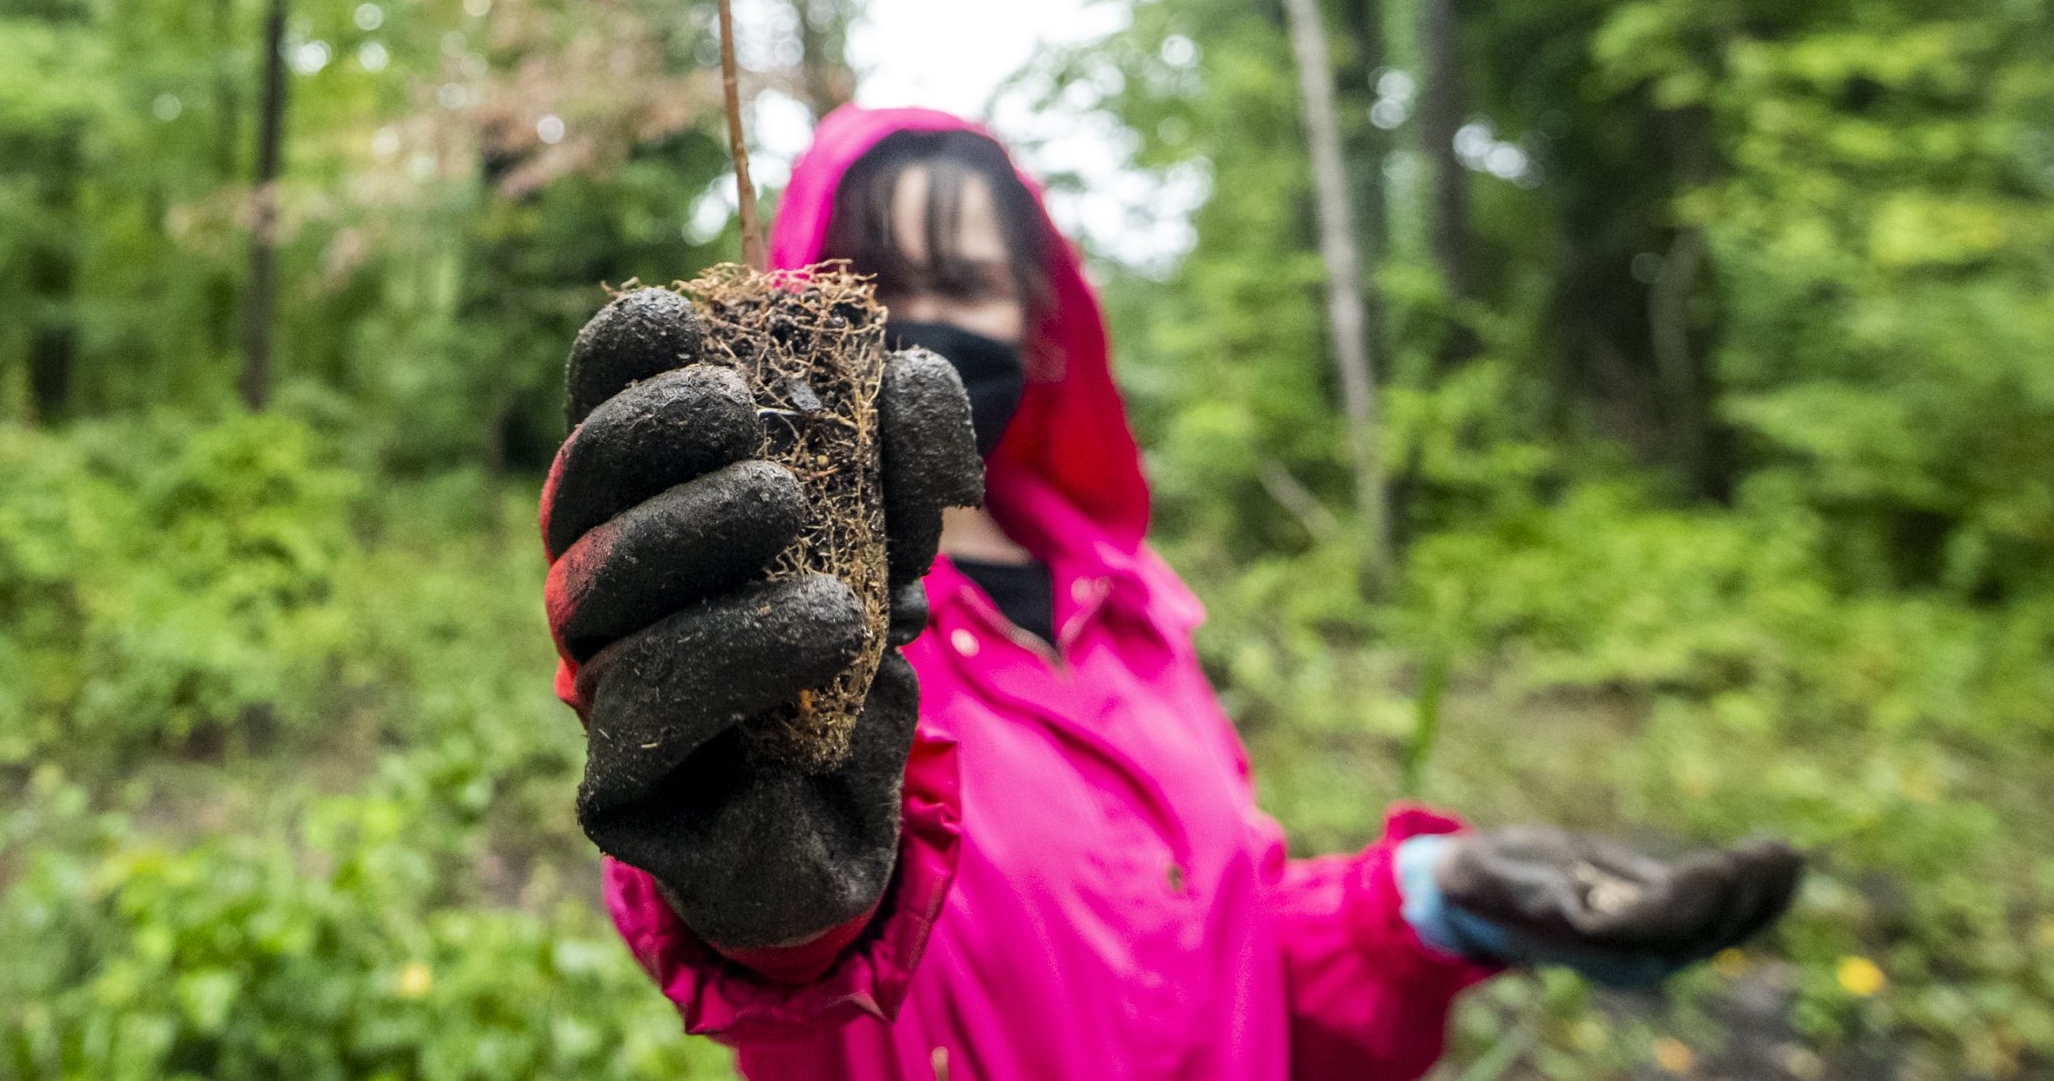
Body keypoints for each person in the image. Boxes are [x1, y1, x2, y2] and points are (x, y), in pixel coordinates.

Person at [541, 105, 1800, 1080]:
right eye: (874, 276)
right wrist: (759, 901)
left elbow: (1209, 966)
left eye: (966, 283)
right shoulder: (791, 637)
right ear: (803, 293)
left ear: (1038, 327)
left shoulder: (1128, 613)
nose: (919, 320)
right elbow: (789, 948)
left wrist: (1421, 909)